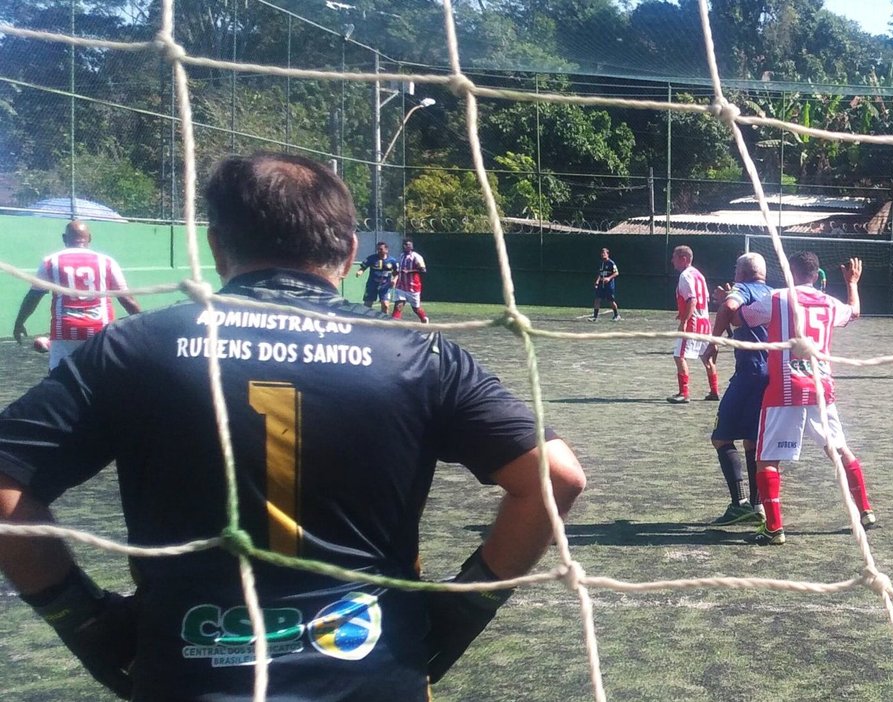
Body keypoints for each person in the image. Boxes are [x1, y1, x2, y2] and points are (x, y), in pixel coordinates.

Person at [0, 153, 586, 700]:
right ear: (351, 250)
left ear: (215, 245)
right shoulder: (415, 351)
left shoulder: (133, 348)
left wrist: (82, 618)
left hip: (187, 672)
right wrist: (460, 612)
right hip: (373, 670)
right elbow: (555, 478)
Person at [745, 253, 874, 546]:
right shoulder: (828, 302)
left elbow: (748, 316)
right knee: (840, 450)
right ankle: (865, 510)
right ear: (815, 276)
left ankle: (774, 528)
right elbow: (853, 311)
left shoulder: (778, 298)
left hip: (784, 388)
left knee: (766, 459)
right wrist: (852, 283)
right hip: (820, 388)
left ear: (790, 271)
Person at [12, 220, 142, 370]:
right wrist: (144, 325)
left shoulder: (51, 261)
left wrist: (19, 323)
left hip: (65, 329)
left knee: (59, 377)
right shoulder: (106, 261)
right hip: (99, 328)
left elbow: (34, 296)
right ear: (89, 238)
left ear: (64, 238)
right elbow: (126, 298)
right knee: (99, 375)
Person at [702, 253, 773, 527]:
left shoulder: (742, 289)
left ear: (742, 272)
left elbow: (729, 308)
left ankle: (739, 503)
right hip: (771, 374)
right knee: (753, 442)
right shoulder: (772, 293)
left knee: (721, 438)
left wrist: (713, 343)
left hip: (749, 373)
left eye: (735, 268)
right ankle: (757, 506)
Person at [669, 245, 719, 404]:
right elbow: (704, 300)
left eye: (674, 257)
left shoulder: (685, 276)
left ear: (683, 259)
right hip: (704, 321)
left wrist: (684, 321)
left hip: (693, 323)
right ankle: (714, 391)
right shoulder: (699, 275)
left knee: (679, 356)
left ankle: (683, 393)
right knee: (706, 357)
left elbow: (692, 300)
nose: (672, 261)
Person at [355, 240, 398, 314]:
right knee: (367, 305)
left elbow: (397, 273)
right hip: (372, 285)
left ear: (386, 250)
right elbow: (363, 267)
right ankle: (365, 321)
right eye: (378, 249)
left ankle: (384, 322)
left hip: (385, 286)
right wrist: (360, 272)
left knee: (385, 305)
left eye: (381, 249)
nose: (379, 251)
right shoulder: (371, 258)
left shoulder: (392, 261)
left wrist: (394, 280)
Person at [391, 238, 428, 323]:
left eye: (410, 245)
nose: (409, 246)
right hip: (401, 286)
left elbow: (423, 270)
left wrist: (409, 271)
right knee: (398, 306)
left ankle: (424, 319)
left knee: (416, 309)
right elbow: (397, 269)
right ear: (403, 246)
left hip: (413, 287)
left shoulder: (416, 257)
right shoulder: (401, 256)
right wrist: (395, 273)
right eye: (407, 245)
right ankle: (394, 326)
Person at [590, 247, 621, 322]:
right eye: (602, 253)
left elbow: (616, 273)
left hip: (609, 285)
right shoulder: (601, 263)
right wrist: (597, 281)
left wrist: (609, 278)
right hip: (601, 285)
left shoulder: (611, 263)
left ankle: (616, 315)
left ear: (607, 254)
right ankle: (595, 317)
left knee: (611, 300)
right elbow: (600, 274)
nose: (603, 254)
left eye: (604, 253)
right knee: (597, 299)